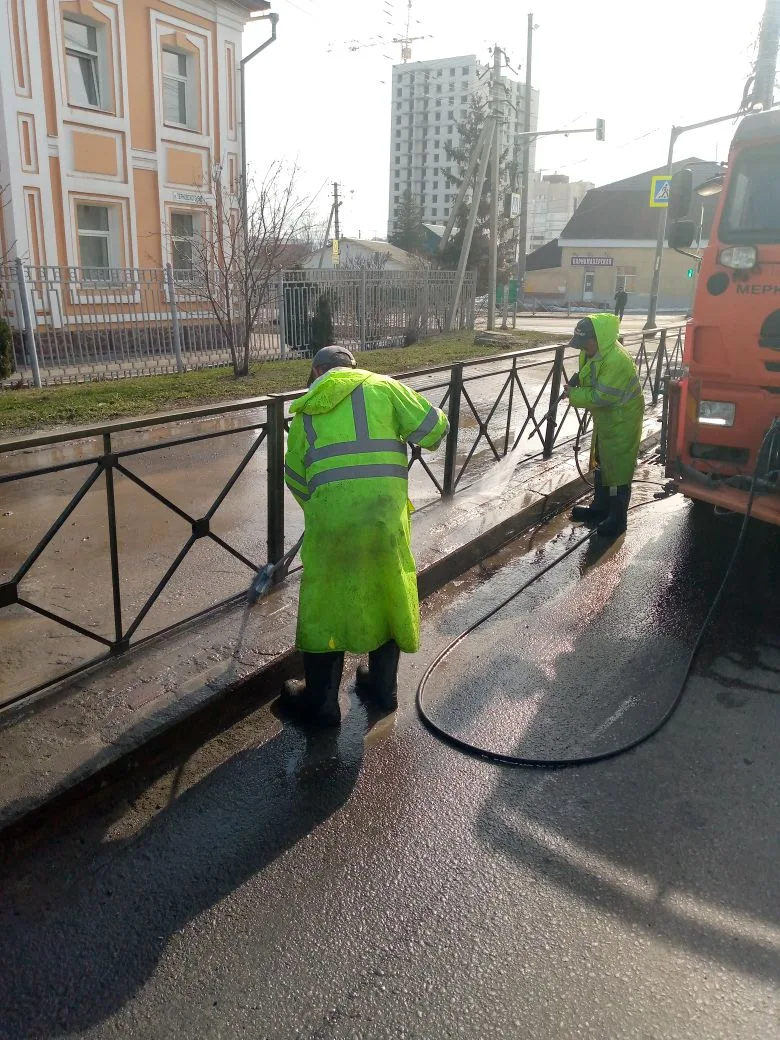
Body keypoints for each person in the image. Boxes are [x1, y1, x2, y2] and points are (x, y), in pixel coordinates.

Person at [280, 345, 449, 726]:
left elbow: (295, 477)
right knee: (387, 590)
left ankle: (321, 704)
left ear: (317, 372)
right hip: (385, 522)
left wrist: (327, 512)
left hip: (331, 526)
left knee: (326, 605)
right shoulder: (385, 388)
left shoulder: (306, 410)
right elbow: (436, 430)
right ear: (354, 368)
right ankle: (382, 689)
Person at [564, 314, 644, 537]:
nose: (582, 348)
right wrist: (577, 381)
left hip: (622, 418)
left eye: (584, 343)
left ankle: (617, 519)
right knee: (601, 459)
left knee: (618, 466)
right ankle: (600, 508)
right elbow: (589, 375)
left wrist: (575, 394)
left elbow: (601, 396)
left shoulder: (616, 360)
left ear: (598, 339)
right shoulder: (591, 351)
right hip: (606, 417)